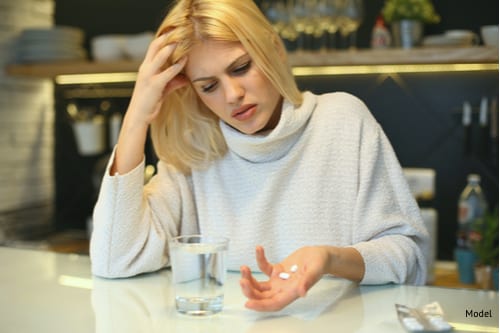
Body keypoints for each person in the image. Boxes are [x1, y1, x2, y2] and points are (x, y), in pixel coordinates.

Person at [90, 0, 429, 312]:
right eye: (209, 86)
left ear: (274, 48)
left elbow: (409, 259)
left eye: (240, 68)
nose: (233, 95)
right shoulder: (196, 152)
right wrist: (135, 118)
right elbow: (115, 260)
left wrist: (330, 259)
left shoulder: (342, 119)